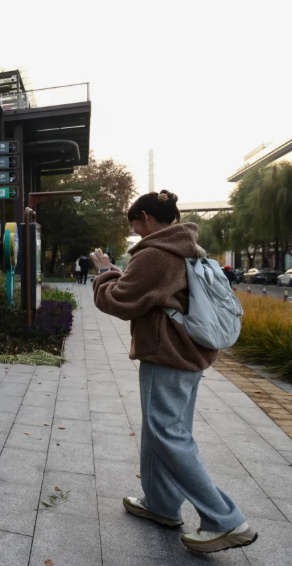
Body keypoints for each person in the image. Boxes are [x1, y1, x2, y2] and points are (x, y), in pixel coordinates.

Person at [91, 190, 257, 554]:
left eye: (135, 224)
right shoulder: (187, 248)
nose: (135, 231)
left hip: (167, 353)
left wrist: (104, 271)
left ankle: (226, 520)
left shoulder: (155, 254)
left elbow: (119, 300)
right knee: (162, 430)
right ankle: (161, 504)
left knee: (166, 434)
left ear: (146, 218)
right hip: (188, 351)